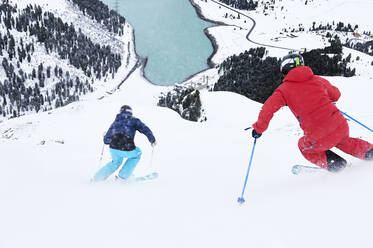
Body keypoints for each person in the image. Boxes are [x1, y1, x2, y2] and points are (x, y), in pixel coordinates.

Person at [251, 53, 373, 172]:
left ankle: (336, 165)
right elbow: (336, 95)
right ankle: (370, 152)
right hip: (340, 126)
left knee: (304, 147)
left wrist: (258, 129)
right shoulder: (317, 79)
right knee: (343, 141)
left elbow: (267, 109)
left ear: (285, 71)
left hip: (317, 135)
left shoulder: (283, 90)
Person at [93, 105, 156, 181]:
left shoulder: (115, 122)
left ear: (120, 112)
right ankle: (123, 176)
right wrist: (152, 140)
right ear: (130, 112)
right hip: (127, 147)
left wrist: (105, 136)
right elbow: (145, 129)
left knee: (116, 162)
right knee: (137, 153)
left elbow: (106, 141)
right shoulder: (134, 120)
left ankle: (98, 178)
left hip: (113, 148)